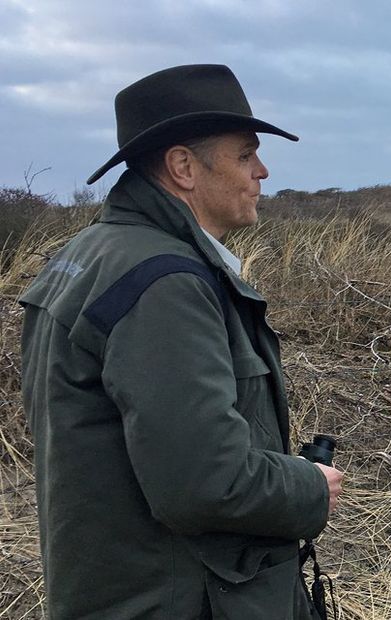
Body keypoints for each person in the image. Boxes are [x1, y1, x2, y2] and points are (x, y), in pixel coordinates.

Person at [19, 64, 343, 619]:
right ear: (183, 166)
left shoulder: (88, 254)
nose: (262, 171)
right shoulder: (165, 284)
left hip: (119, 586)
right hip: (179, 598)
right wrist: (309, 487)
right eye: (245, 155)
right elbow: (203, 483)